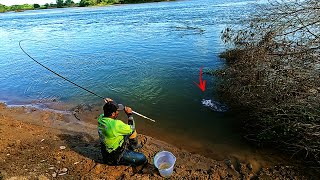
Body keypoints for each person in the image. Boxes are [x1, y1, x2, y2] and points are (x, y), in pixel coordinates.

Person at [98, 98, 147, 166]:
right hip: (115, 156)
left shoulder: (101, 118)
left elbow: (108, 111)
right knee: (142, 158)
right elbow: (132, 128)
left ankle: (134, 146)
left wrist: (111, 103)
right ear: (112, 114)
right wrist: (129, 114)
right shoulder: (116, 125)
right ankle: (132, 148)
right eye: (117, 111)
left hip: (106, 152)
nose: (118, 112)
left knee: (128, 131)